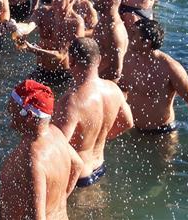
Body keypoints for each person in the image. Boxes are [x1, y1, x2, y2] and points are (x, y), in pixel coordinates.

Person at [121, 19, 188, 151]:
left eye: (134, 33)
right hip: (133, 130)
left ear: (146, 42)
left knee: (165, 170)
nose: (129, 35)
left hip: (162, 133)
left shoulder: (170, 68)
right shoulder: (126, 58)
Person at [0, 80, 83, 220]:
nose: (10, 122)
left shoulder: (31, 160)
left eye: (12, 110)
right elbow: (78, 165)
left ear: (28, 116)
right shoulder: (55, 133)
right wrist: (58, 201)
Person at [52, 38, 130, 188]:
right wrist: (99, 136)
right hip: (99, 167)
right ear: (99, 59)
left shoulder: (72, 101)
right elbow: (127, 122)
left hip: (78, 177)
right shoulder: (113, 89)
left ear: (72, 61)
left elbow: (58, 147)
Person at [15, 0, 85, 86]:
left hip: (63, 74)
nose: (55, 1)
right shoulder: (43, 12)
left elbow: (61, 55)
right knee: (23, 92)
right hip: (41, 69)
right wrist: (16, 27)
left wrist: (34, 50)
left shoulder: (75, 23)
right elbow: (29, 26)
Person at [91, 0, 128, 83]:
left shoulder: (114, 30)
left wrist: (90, 80)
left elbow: (116, 70)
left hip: (105, 87)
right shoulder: (104, 22)